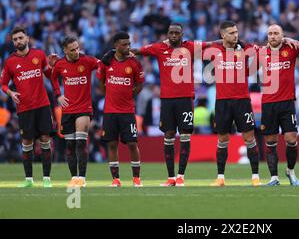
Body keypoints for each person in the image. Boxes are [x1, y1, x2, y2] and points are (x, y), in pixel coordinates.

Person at [132, 23, 212, 187]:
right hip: (167, 100)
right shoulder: (159, 48)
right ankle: (170, 178)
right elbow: (137, 51)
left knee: (184, 135)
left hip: (185, 99)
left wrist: (228, 40)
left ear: (182, 34)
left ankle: (181, 176)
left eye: (177, 33)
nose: (173, 35)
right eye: (171, 33)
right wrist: (118, 52)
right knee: (168, 135)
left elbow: (211, 44)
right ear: (167, 34)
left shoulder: (189, 46)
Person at [206, 20, 260, 186]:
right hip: (222, 102)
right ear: (222, 35)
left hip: (242, 100)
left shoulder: (244, 48)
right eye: (231, 33)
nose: (235, 35)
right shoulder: (214, 50)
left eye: (236, 32)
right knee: (222, 139)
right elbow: (191, 47)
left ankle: (255, 177)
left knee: (249, 138)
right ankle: (220, 177)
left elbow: (260, 51)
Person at [1, 27, 54, 187]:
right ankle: (29, 180)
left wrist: (52, 66)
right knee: (26, 142)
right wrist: (11, 93)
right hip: (24, 108)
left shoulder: (39, 55)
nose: (18, 41)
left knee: (45, 140)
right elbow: (3, 84)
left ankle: (47, 179)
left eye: (20, 38)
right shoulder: (10, 61)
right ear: (13, 42)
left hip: (43, 105)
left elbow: (50, 76)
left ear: (27, 38)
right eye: (15, 39)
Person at [97, 31, 144, 187]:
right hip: (110, 111)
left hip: (127, 111)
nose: (128, 47)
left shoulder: (134, 62)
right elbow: (101, 82)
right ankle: (115, 179)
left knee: (132, 144)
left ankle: (136, 178)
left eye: (129, 44)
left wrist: (130, 95)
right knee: (111, 144)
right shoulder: (106, 62)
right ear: (116, 45)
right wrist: (109, 96)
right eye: (124, 44)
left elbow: (140, 84)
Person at [50, 37, 99, 187]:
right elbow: (53, 78)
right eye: (72, 49)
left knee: (80, 142)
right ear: (65, 50)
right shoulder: (59, 64)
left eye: (77, 48)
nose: (76, 51)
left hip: (84, 108)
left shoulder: (88, 60)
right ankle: (74, 178)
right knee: (70, 145)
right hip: (68, 110)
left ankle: (82, 179)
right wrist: (58, 95)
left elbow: (105, 65)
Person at [259, 24, 299, 186]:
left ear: (282, 35)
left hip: (287, 102)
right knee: (270, 140)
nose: (273, 36)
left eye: (276, 33)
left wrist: (290, 39)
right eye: (270, 33)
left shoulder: (290, 48)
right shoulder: (261, 52)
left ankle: (290, 170)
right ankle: (274, 177)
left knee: (291, 139)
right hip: (268, 103)